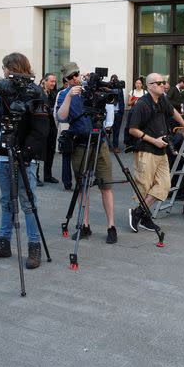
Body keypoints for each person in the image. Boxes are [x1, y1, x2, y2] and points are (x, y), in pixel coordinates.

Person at [0, 53, 49, 268]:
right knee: (6, 201)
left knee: (28, 203)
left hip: (24, 155)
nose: (4, 72)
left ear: (13, 68)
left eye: (5, 68)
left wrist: (26, 154)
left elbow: (41, 129)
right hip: (3, 153)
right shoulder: (3, 88)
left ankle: (34, 247)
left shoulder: (35, 92)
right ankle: (4, 243)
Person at [57, 61, 118, 244]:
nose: (75, 78)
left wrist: (94, 85)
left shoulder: (89, 89)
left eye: (77, 74)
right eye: (71, 77)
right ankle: (84, 225)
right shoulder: (64, 94)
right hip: (81, 144)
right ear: (65, 80)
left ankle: (111, 226)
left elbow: (109, 107)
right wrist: (69, 96)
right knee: (83, 186)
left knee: (106, 185)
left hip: (100, 143)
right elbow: (61, 116)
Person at [128, 73, 184, 232]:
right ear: (150, 85)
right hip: (146, 150)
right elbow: (133, 129)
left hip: (161, 150)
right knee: (145, 187)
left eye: (164, 82)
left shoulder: (163, 100)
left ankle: (138, 212)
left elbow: (173, 112)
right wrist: (153, 140)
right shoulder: (141, 104)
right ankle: (144, 217)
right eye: (159, 83)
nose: (163, 85)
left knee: (164, 186)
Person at [40, 73, 60, 182]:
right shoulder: (39, 92)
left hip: (51, 126)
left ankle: (48, 175)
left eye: (54, 81)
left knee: (51, 151)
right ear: (45, 81)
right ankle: (36, 177)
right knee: (38, 150)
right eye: (52, 81)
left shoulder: (53, 93)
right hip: (41, 126)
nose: (54, 83)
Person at [109, 74, 126, 153]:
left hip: (118, 112)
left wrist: (122, 111)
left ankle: (115, 146)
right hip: (110, 112)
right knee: (108, 130)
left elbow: (122, 100)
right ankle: (108, 145)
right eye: (113, 79)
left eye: (116, 79)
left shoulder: (120, 88)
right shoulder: (108, 87)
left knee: (116, 130)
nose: (114, 81)